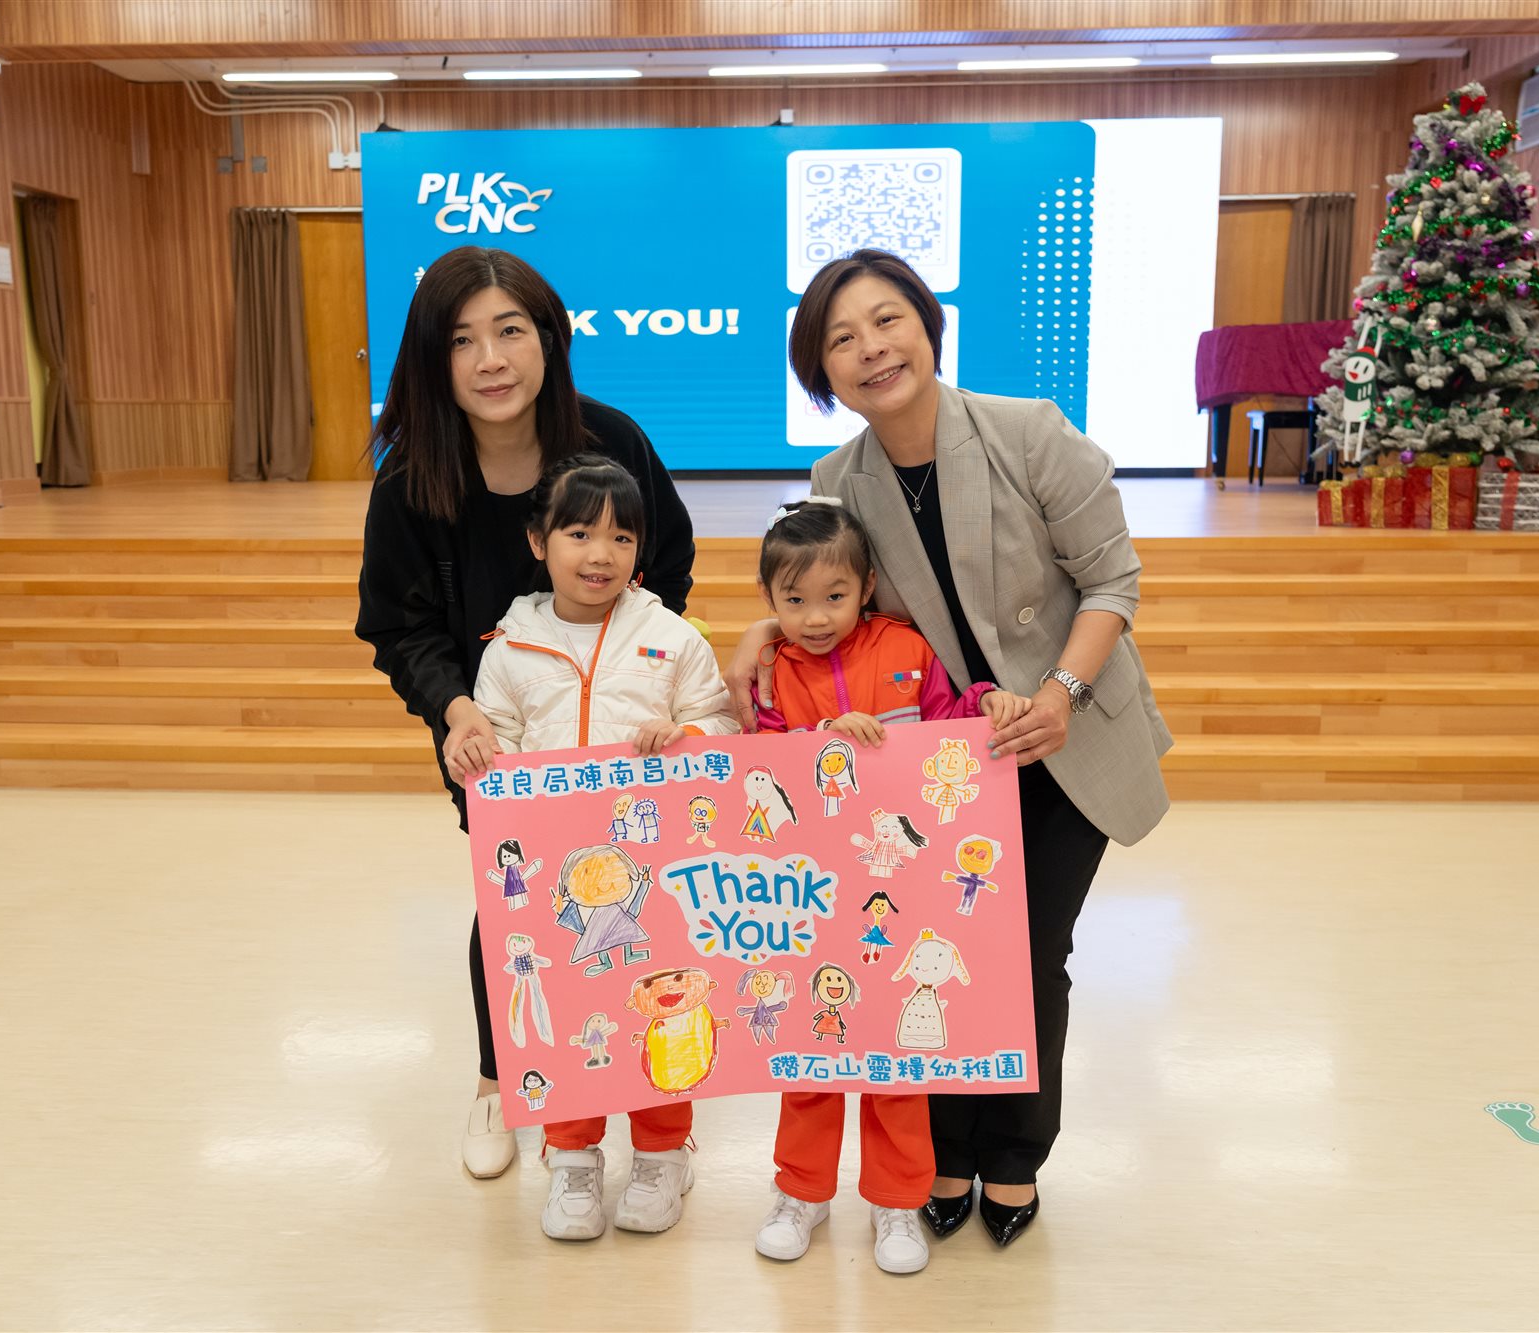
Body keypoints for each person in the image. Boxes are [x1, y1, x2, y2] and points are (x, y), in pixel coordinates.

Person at [729, 248, 1173, 1249]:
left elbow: (1112, 581)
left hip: (1057, 731)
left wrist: (1059, 693)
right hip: (934, 765)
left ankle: (1011, 1154)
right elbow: (830, 595)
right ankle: (942, 1151)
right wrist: (761, 626)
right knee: (930, 951)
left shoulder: (1029, 431)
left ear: (926, 325)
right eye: (841, 339)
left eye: (887, 320)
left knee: (1030, 952)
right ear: (820, 370)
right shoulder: (837, 480)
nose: (870, 348)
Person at [354, 246, 695, 1182]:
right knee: (514, 898)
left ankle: (652, 1093)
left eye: (510, 331)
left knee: (636, 895)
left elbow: (666, 564)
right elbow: (398, 624)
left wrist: (630, 670)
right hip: (495, 734)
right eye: (462, 340)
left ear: (549, 338)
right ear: (433, 360)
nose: (491, 359)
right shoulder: (411, 479)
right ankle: (500, 1079)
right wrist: (458, 709)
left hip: (621, 732)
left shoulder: (612, 441)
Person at [741, 497, 1030, 1275]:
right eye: (794, 599)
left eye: (835, 595)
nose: (815, 617)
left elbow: (947, 728)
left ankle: (897, 1200)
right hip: (808, 895)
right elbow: (756, 762)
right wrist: (819, 742)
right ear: (768, 599)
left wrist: (984, 702)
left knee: (897, 1061)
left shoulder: (906, 647)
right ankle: (799, 1192)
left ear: (867, 586)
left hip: (904, 892)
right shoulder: (770, 670)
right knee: (813, 1051)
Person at [471, 453, 737, 1241]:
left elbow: (722, 725)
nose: (602, 554)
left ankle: (661, 1154)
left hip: (656, 871)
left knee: (667, 1006)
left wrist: (686, 733)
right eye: (580, 533)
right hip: (558, 878)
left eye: (622, 537)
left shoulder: (670, 637)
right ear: (538, 541)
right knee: (568, 1015)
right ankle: (573, 1159)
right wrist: (480, 753)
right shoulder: (509, 648)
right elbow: (496, 745)